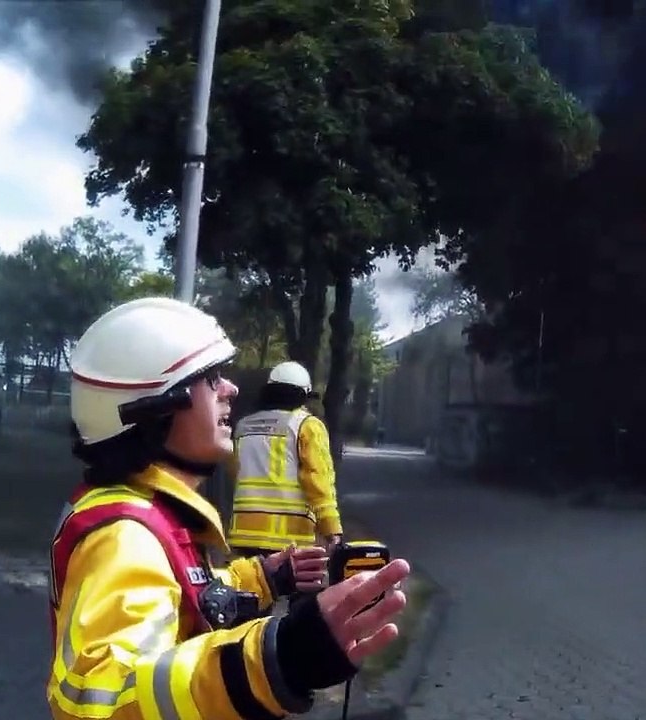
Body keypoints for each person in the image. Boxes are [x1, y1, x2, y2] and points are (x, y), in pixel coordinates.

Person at [48, 297, 411, 720]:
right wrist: (277, 659)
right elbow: (100, 702)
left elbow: (182, 592)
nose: (231, 389)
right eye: (211, 378)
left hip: (245, 534)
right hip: (292, 534)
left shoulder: (149, 514)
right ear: (153, 406)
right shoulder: (126, 536)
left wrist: (262, 576)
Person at [227, 361, 344, 558]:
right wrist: (330, 527)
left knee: (252, 587)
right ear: (303, 395)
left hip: (244, 534)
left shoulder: (242, 426)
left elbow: (235, 471)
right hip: (290, 537)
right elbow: (318, 480)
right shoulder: (307, 425)